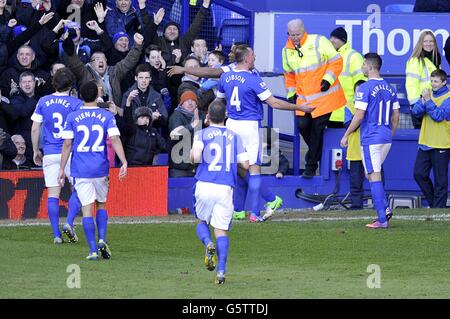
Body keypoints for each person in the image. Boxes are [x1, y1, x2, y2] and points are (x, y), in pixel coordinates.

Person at [216, 44, 314, 222]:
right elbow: (275, 103)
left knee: (238, 168)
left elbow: (218, 102)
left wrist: (212, 119)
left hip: (230, 125)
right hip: (249, 126)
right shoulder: (253, 79)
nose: (255, 57)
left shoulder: (225, 77)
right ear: (246, 59)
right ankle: (256, 211)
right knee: (253, 169)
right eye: (253, 55)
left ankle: (238, 210)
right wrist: (300, 107)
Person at [59, 80, 128, 260]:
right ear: (97, 96)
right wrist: (124, 161)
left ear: (81, 96)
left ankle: (92, 251)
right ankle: (102, 239)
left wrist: (61, 168)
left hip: (80, 169)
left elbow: (67, 144)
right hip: (100, 168)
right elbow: (114, 140)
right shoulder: (106, 116)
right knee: (102, 204)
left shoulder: (72, 117)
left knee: (87, 209)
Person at [190, 100, 249, 285]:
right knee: (221, 231)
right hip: (225, 187)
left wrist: (193, 155)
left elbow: (196, 157)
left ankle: (208, 243)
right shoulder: (234, 136)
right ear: (226, 116)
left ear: (208, 115)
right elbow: (246, 165)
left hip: (205, 184)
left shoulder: (201, 134)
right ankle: (221, 272)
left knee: (201, 221)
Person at [340, 53, 400, 229]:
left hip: (371, 138)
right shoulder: (390, 88)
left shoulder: (365, 88)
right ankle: (386, 209)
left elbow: (359, 116)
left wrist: (346, 135)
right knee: (371, 173)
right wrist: (390, 133)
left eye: (363, 64)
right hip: (386, 136)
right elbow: (396, 116)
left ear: (369, 65)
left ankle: (382, 219)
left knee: (373, 175)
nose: (361, 67)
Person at [282, 19, 347, 178]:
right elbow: (289, 75)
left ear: (304, 31)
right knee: (303, 126)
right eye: (292, 35)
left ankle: (310, 167)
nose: (295, 37)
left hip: (325, 98)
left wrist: (328, 79)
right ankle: (314, 154)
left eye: (298, 34)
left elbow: (336, 62)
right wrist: (291, 95)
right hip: (304, 100)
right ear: (288, 34)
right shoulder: (286, 50)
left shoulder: (319, 41)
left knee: (317, 129)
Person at [31, 67, 83, 244]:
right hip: (70, 153)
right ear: (71, 85)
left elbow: (35, 127)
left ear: (54, 82)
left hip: (50, 152)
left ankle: (56, 235)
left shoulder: (43, 101)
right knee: (79, 189)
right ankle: (68, 223)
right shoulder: (75, 104)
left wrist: (35, 150)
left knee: (53, 193)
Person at [412, 69, 450, 208]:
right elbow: (415, 112)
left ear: (444, 82)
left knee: (441, 180)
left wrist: (427, 100)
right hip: (425, 142)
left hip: (442, 144)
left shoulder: (448, 98)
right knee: (418, 174)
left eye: (436, 81)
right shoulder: (427, 94)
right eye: (432, 81)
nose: (433, 84)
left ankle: (438, 208)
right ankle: (435, 204)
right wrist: (424, 101)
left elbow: (439, 116)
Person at [328, 27, 366, 128]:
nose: (332, 40)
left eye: (336, 38)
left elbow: (361, 82)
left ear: (343, 40)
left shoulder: (353, 56)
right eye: (331, 37)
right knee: (331, 142)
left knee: (346, 142)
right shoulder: (329, 56)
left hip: (347, 113)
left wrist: (358, 109)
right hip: (329, 112)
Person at [406, 31, 441, 128]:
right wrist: (415, 105)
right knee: (421, 139)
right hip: (421, 105)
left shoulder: (436, 59)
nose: (428, 44)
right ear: (420, 43)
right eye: (425, 41)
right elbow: (411, 84)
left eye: (431, 41)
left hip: (433, 104)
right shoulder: (415, 60)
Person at [168, 89, 206, 177]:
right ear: (181, 104)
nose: (190, 103)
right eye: (186, 100)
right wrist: (193, 125)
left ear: (196, 104)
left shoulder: (201, 115)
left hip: (197, 166)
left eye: (193, 100)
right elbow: (175, 135)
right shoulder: (176, 116)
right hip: (180, 166)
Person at [121, 63, 168, 129]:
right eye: (141, 77)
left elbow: (164, 117)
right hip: (133, 133)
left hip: (151, 132)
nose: (143, 81)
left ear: (150, 79)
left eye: (146, 77)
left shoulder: (156, 96)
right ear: (136, 78)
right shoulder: (128, 95)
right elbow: (124, 119)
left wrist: (158, 117)